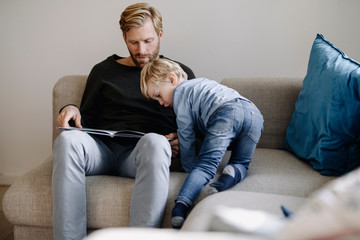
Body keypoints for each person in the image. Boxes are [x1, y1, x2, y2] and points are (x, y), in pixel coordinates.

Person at [52, 3, 195, 240]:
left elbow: (195, 124)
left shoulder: (179, 73)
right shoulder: (103, 71)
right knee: (67, 141)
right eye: (133, 42)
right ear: (124, 37)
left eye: (148, 41)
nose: (141, 50)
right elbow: (84, 120)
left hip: (141, 155)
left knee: (156, 143)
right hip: (102, 152)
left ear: (160, 34)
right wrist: (71, 108)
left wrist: (184, 141)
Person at [140, 58, 264, 228]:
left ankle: (181, 206)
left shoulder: (181, 93)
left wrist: (189, 168)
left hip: (226, 112)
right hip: (254, 114)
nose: (161, 103)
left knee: (205, 165)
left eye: (158, 95)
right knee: (241, 162)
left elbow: (186, 135)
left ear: (172, 79)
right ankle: (229, 174)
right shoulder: (202, 84)